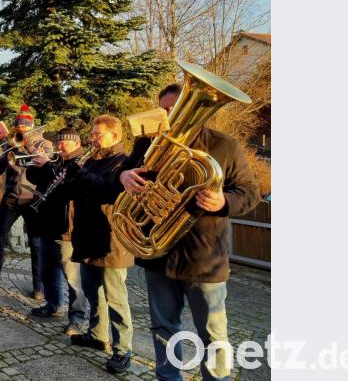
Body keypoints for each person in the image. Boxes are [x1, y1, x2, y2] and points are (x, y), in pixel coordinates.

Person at [119, 85, 261, 380]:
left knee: (213, 335)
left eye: (177, 109)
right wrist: (123, 176)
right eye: (165, 111)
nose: (171, 117)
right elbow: (118, 176)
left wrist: (224, 201)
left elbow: (249, 193)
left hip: (203, 258)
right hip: (157, 255)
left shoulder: (224, 145)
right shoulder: (147, 144)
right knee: (163, 328)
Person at [68, 115, 134, 373]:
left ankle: (123, 349)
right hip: (87, 236)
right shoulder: (93, 161)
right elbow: (80, 190)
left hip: (111, 240)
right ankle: (97, 335)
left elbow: (108, 191)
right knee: (92, 291)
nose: (92, 139)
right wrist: (69, 177)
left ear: (115, 136)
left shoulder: (124, 163)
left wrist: (82, 174)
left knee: (116, 298)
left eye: (98, 135)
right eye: (92, 134)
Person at [0, 104, 44, 300]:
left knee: (36, 243)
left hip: (33, 198)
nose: (22, 129)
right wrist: (8, 150)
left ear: (31, 126)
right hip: (11, 197)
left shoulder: (43, 144)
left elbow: (45, 167)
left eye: (25, 127)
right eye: (19, 127)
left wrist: (27, 145)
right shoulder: (10, 144)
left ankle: (38, 286)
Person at [26, 126, 89, 336]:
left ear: (77, 143)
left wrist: (49, 167)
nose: (60, 145)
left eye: (65, 142)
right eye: (59, 141)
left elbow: (69, 187)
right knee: (48, 270)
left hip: (67, 228)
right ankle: (53, 305)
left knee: (73, 278)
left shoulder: (81, 162)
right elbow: (36, 178)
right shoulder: (57, 161)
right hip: (48, 223)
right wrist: (37, 163)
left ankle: (77, 319)